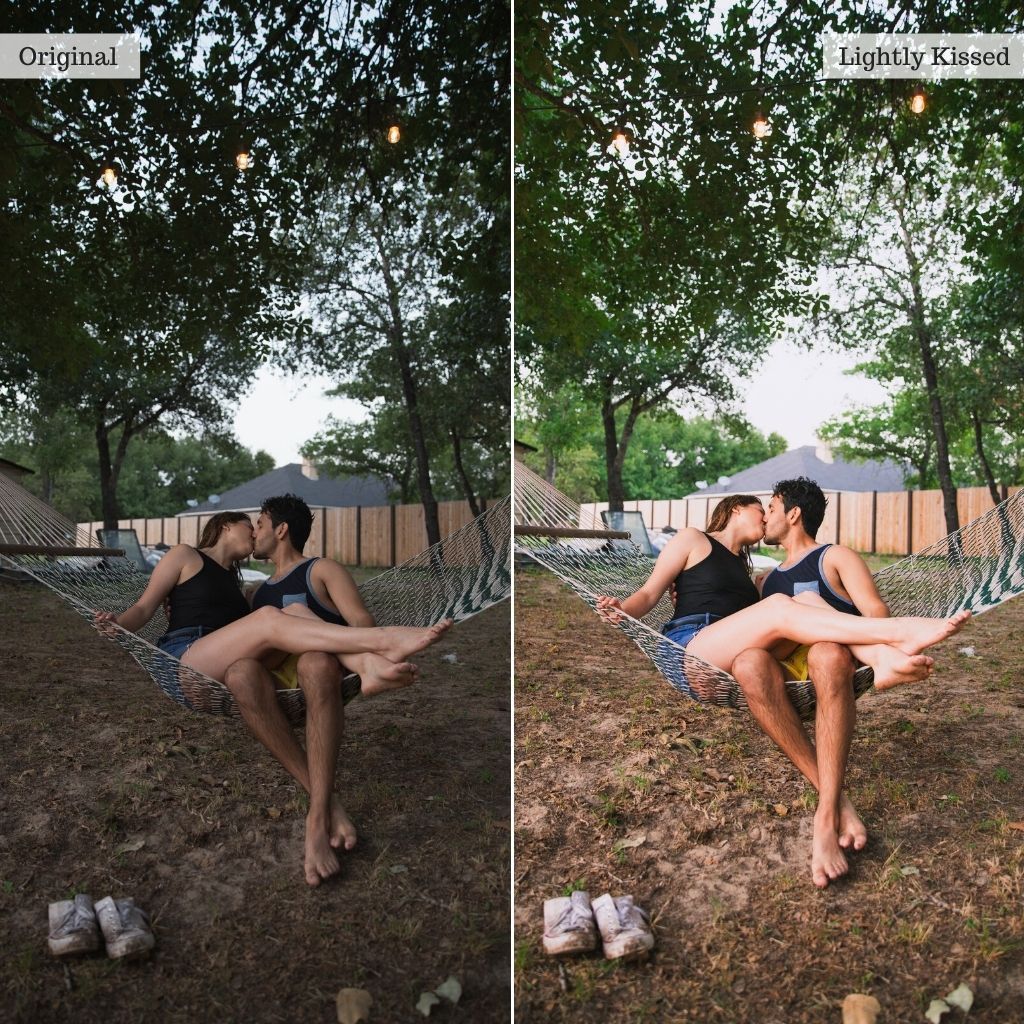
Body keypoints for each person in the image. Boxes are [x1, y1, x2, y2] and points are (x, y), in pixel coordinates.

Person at [595, 490, 970, 888]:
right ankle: (895, 635)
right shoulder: (693, 539)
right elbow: (649, 593)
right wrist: (623, 610)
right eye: (761, 509)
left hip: (734, 656)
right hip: (692, 648)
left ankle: (879, 664)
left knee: (800, 601)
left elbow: (757, 626)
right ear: (736, 509)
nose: (765, 517)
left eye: (770, 510)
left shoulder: (751, 574)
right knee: (780, 605)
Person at [95, 510, 452, 886]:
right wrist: (119, 624)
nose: (254, 534)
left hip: (229, 665)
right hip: (188, 658)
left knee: (293, 610)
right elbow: (144, 608)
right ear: (226, 525)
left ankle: (367, 666)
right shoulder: (184, 555)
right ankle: (380, 642)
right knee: (270, 616)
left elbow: (249, 635)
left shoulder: (241, 587)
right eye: (249, 526)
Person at [732, 477, 933, 888]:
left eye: (771, 509)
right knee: (747, 662)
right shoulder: (765, 582)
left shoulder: (834, 556)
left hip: (836, 657)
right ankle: (838, 802)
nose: (765, 517)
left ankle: (824, 818)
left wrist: (859, 640)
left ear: (793, 514)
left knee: (824, 651)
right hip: (789, 669)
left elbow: (876, 613)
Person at [221, 495, 417, 888]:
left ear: (281, 530)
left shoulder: (321, 569)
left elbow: (361, 621)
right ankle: (329, 805)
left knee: (313, 661)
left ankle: (316, 819)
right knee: (239, 673)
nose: (254, 533)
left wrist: (354, 651)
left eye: (259, 524)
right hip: (277, 679)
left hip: (324, 668)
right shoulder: (255, 595)